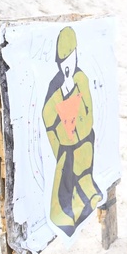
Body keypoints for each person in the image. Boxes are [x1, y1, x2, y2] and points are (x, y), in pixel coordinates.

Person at [42, 26, 103, 237]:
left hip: (84, 143)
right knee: (65, 187)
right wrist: (63, 94)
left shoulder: (82, 79)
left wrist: (72, 92)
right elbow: (48, 120)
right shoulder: (54, 86)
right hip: (66, 150)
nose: (70, 65)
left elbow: (88, 117)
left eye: (73, 57)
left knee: (86, 181)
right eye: (65, 61)